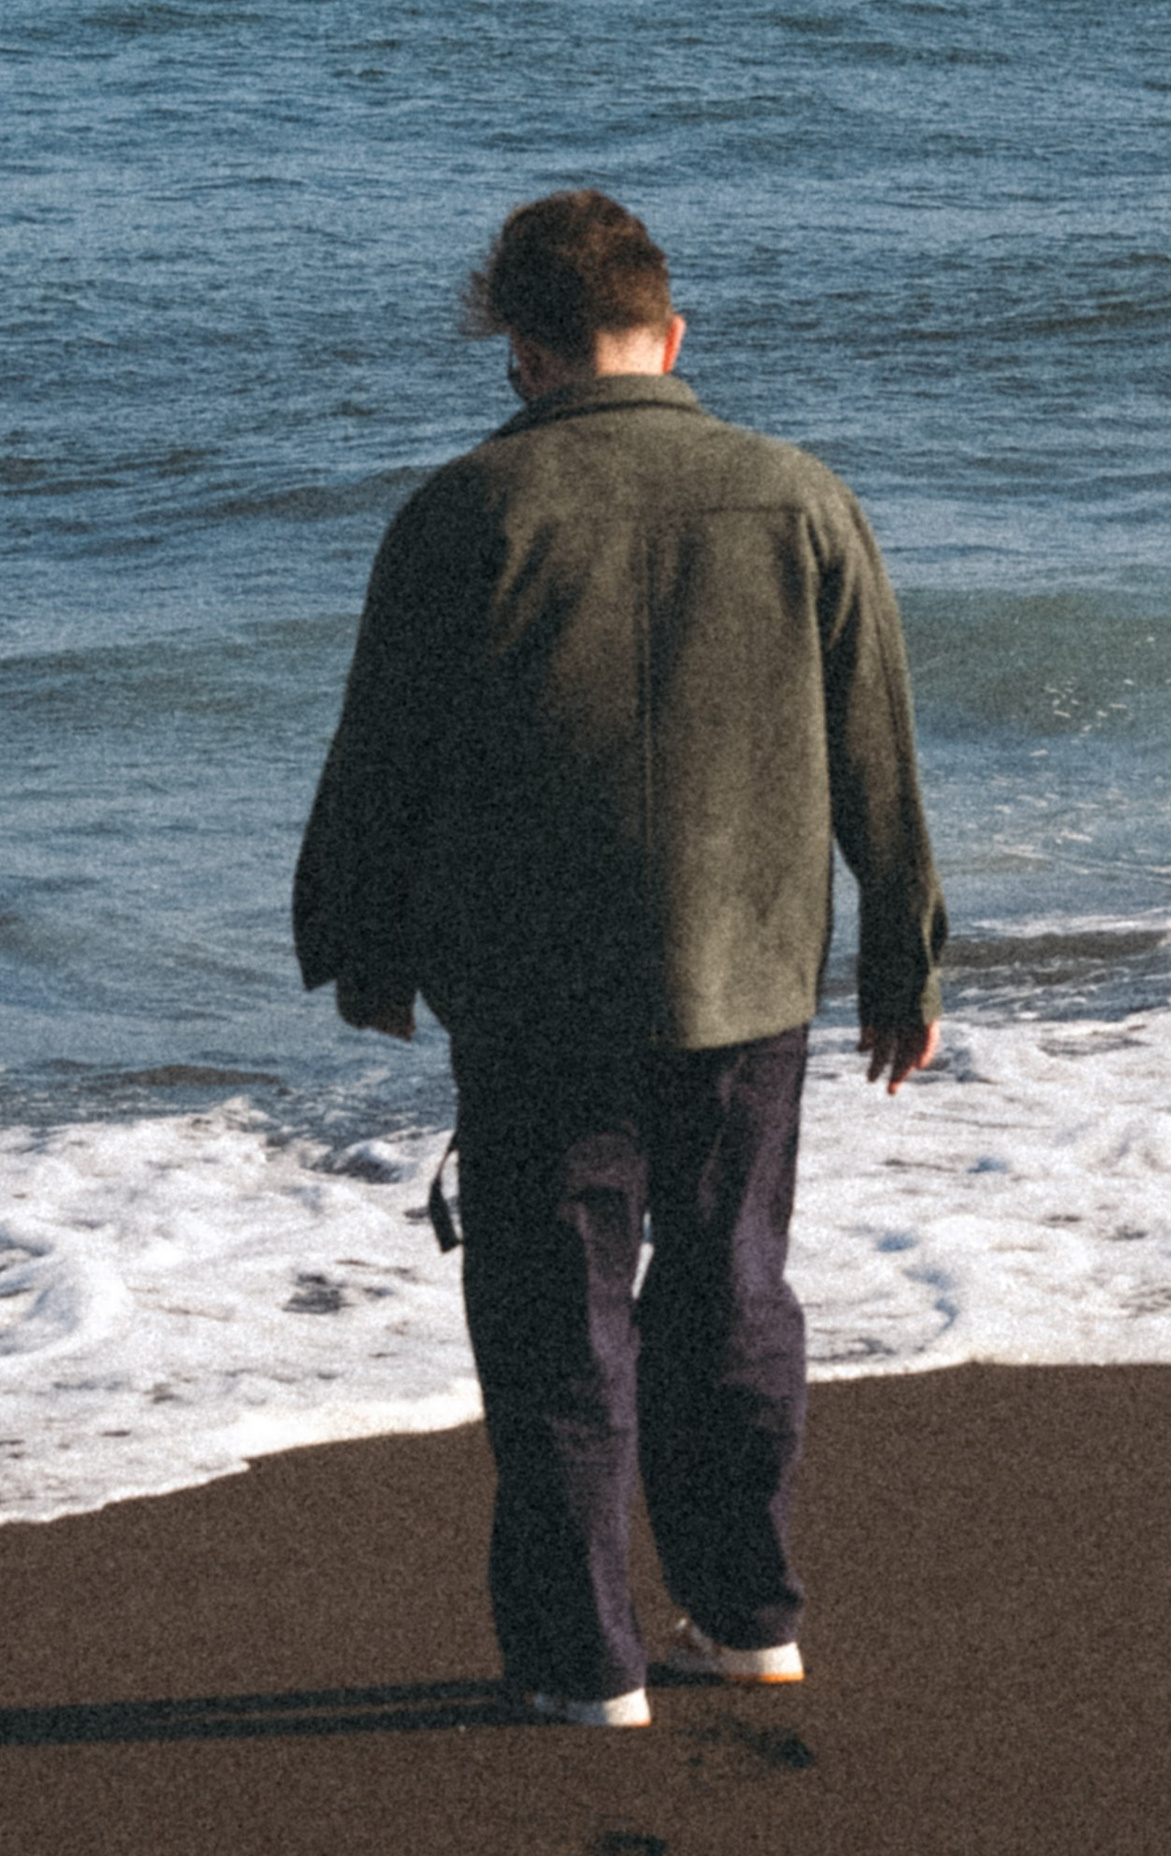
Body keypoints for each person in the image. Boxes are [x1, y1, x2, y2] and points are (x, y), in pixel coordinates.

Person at [294, 188, 945, 1730]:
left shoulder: (470, 512)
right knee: (734, 1296)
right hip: (749, 979)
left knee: (554, 1324)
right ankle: (751, 1614)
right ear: (672, 335)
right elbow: (882, 761)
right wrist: (906, 964)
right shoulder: (799, 497)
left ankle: (585, 1665)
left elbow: (379, 762)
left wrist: (357, 947)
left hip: (538, 994)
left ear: (518, 351)